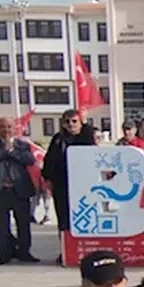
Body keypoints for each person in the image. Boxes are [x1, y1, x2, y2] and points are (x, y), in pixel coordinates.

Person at [0, 116, 39, 266]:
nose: (6, 130)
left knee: (23, 224)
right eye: (3, 127)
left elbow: (29, 160)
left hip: (19, 189)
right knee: (1, 225)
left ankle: (24, 252)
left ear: (14, 128)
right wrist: (4, 150)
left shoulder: (22, 145)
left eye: (9, 127)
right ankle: (4, 253)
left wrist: (12, 150)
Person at [43, 110, 99, 258]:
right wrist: (48, 179)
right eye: (67, 121)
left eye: (74, 121)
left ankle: (86, 251)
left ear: (81, 123)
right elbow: (49, 160)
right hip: (62, 185)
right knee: (63, 220)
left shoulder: (88, 139)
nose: (71, 124)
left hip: (83, 186)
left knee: (84, 219)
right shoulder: (58, 139)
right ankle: (66, 251)